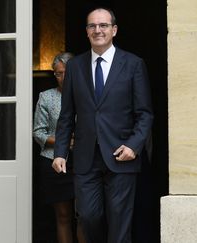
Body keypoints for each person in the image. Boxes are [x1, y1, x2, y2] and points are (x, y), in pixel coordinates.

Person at [52, 7, 153, 243]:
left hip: (122, 156)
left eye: (103, 25)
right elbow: (67, 115)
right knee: (88, 217)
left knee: (120, 223)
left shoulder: (133, 64)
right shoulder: (75, 67)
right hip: (86, 158)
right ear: (87, 32)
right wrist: (60, 152)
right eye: (92, 26)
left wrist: (134, 146)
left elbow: (145, 113)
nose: (98, 30)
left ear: (114, 30)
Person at [33, 52, 85, 243]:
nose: (63, 77)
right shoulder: (46, 97)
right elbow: (38, 133)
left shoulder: (87, 96)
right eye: (58, 73)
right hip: (54, 162)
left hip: (83, 161)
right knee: (63, 216)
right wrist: (63, 141)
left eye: (66, 72)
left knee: (84, 216)